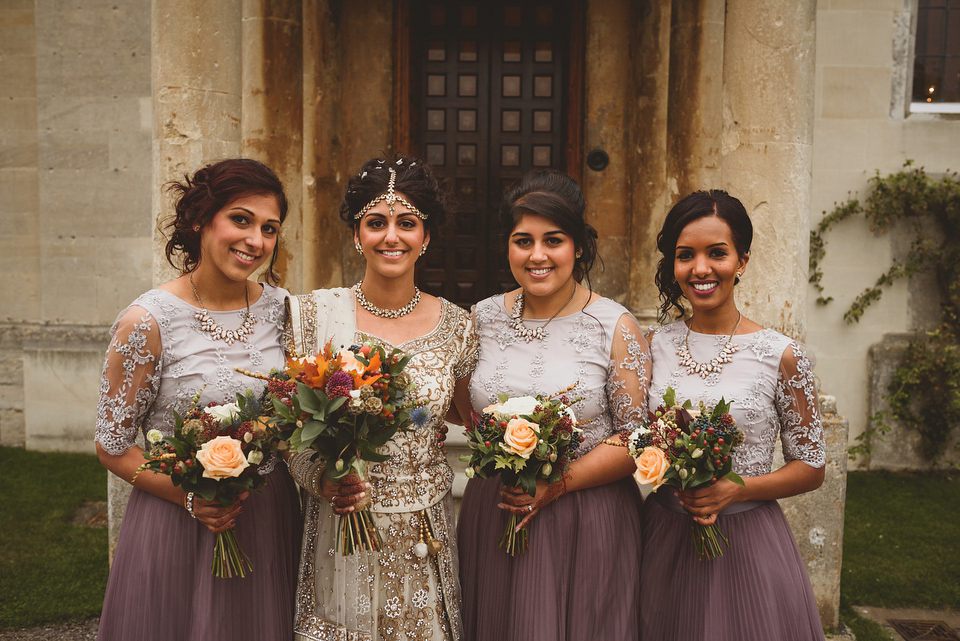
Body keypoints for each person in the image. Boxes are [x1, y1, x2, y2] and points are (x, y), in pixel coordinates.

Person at [94, 159, 302, 640]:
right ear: (199, 220)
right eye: (241, 219)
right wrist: (190, 497)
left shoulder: (283, 309)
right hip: (178, 522)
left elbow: (295, 414)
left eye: (269, 229)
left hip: (265, 518)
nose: (256, 241)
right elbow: (113, 446)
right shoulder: (147, 321)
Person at [284, 154, 478, 641]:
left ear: (425, 237)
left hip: (425, 533)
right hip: (343, 526)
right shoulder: (312, 316)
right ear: (356, 234)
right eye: (376, 223)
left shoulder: (459, 326)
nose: (391, 236)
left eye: (407, 223)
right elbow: (290, 432)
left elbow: (469, 416)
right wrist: (325, 481)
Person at [456, 169, 650, 641]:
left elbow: (637, 437)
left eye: (554, 240)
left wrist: (555, 483)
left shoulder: (614, 325)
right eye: (523, 240)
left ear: (579, 246)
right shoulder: (480, 319)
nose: (537, 255)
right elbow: (465, 412)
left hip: (587, 518)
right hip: (497, 507)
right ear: (508, 245)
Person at [641, 189, 826, 640]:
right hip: (663, 535)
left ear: (741, 261)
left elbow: (811, 466)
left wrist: (734, 488)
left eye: (716, 253)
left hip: (747, 539)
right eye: (686, 256)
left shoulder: (781, 355)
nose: (701, 268)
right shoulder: (650, 346)